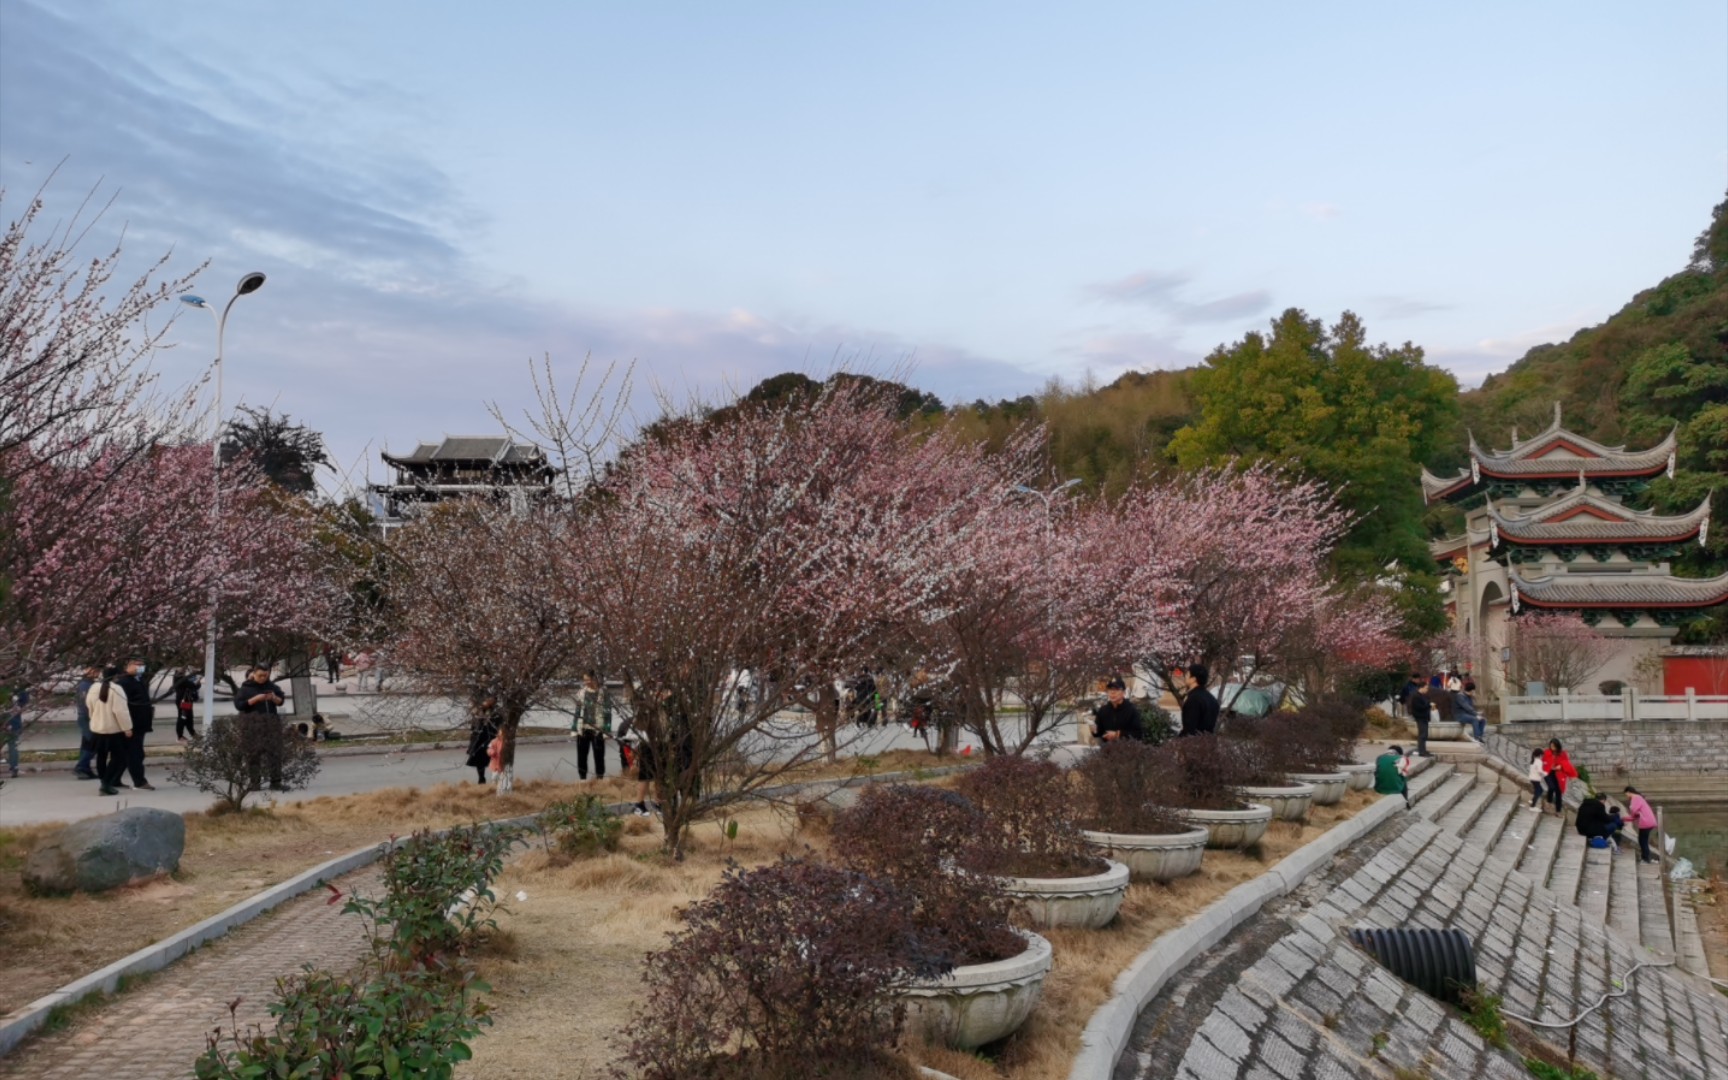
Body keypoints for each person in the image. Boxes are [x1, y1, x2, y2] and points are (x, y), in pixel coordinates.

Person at [234, 665, 288, 791]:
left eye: (266, 675)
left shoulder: (271, 686)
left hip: (271, 724)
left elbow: (281, 701)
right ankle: (255, 782)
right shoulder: (246, 688)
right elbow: (239, 705)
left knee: (274, 753)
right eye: (260, 675)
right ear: (253, 674)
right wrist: (255, 699)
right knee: (253, 754)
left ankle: (275, 782)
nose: (263, 678)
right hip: (252, 726)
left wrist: (274, 698)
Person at [86, 666, 134, 796]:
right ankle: (107, 783)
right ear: (115, 677)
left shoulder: (93, 687)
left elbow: (89, 706)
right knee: (119, 757)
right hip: (113, 730)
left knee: (101, 756)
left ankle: (103, 781)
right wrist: (127, 728)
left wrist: (94, 719)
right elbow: (121, 711)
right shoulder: (116, 689)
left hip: (97, 729)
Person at [117, 658, 157, 790]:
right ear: (128, 666)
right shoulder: (125, 682)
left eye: (142, 665)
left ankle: (113, 779)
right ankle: (139, 781)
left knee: (125, 754)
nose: (141, 667)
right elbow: (123, 706)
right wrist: (126, 726)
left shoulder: (139, 680)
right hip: (132, 724)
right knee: (135, 753)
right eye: (137, 665)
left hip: (141, 724)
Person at [575, 673, 612, 780]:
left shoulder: (603, 693)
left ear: (594, 679)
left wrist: (607, 729)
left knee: (599, 755)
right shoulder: (581, 693)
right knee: (582, 756)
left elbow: (608, 712)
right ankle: (582, 778)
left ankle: (599, 778)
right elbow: (577, 711)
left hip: (598, 728)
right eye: (585, 680)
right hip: (583, 728)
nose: (587, 682)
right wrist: (574, 728)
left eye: (588, 679)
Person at [1092, 677, 1145, 742]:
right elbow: (1098, 733)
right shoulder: (1103, 710)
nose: (1112, 692)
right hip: (1107, 749)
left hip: (1127, 749)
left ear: (1123, 693)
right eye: (1110, 689)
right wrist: (1094, 730)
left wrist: (1118, 734)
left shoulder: (1131, 710)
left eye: (1116, 689)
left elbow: (1138, 734)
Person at [73, 664, 99, 780]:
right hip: (87, 717)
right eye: (95, 670)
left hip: (87, 717)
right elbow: (85, 703)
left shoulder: (89, 684)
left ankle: (86, 768)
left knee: (87, 743)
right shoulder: (85, 685)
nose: (97, 673)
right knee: (92, 743)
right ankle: (81, 766)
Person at [1179, 665, 1220, 737]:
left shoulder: (1194, 700)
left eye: (1187, 674)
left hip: (1194, 744)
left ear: (1194, 679)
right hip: (1208, 742)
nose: (1184, 676)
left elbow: (1189, 729)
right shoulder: (1212, 698)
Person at [1622, 786, 1660, 864]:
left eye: (1626, 794)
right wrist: (1625, 818)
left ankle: (1646, 859)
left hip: (1646, 822)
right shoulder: (1639, 798)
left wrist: (1627, 816)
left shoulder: (1635, 798)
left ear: (1628, 792)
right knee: (1643, 840)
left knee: (1643, 841)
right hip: (1648, 822)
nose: (1626, 796)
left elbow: (1633, 810)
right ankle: (1646, 858)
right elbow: (1634, 816)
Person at [466, 699, 499, 785]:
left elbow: (498, 725)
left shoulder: (496, 712)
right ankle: (481, 778)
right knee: (479, 761)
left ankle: (495, 779)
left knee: (495, 759)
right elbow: (474, 725)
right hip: (479, 739)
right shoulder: (478, 711)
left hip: (492, 738)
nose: (485, 702)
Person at [1541, 738, 1577, 814]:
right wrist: (1550, 766)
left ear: (1557, 746)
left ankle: (1558, 810)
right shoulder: (1547, 752)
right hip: (1548, 773)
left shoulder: (1562, 754)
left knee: (1558, 791)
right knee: (1551, 787)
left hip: (1558, 773)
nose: (1552, 747)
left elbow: (1566, 763)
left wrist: (1561, 766)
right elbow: (1544, 763)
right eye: (1551, 746)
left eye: (1554, 746)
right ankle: (1549, 802)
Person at [1374, 744, 1411, 808]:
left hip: (1380, 789)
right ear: (1400, 753)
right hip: (1396, 789)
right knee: (1404, 778)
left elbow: (1377, 772)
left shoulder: (1379, 757)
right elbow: (1403, 774)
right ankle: (1406, 801)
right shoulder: (1402, 759)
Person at [173, 672, 201, 742]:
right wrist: (198, 681)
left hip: (187, 701)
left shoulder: (183, 678)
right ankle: (180, 736)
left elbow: (195, 686)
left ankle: (193, 734)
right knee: (183, 718)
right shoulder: (180, 678)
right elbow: (193, 686)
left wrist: (197, 682)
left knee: (189, 718)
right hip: (183, 702)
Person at [4, 685, 25, 779]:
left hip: (12, 722)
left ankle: (14, 768)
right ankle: (14, 768)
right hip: (13, 722)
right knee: (13, 746)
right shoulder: (17, 688)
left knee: (12, 745)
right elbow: (24, 700)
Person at [1407, 681, 1433, 756]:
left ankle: (1423, 750)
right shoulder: (1416, 696)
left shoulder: (1422, 696)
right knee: (1422, 734)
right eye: (1426, 688)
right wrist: (1429, 705)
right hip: (1420, 717)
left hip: (1424, 717)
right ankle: (1421, 751)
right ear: (1421, 688)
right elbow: (1419, 707)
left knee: (1425, 735)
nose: (1427, 690)